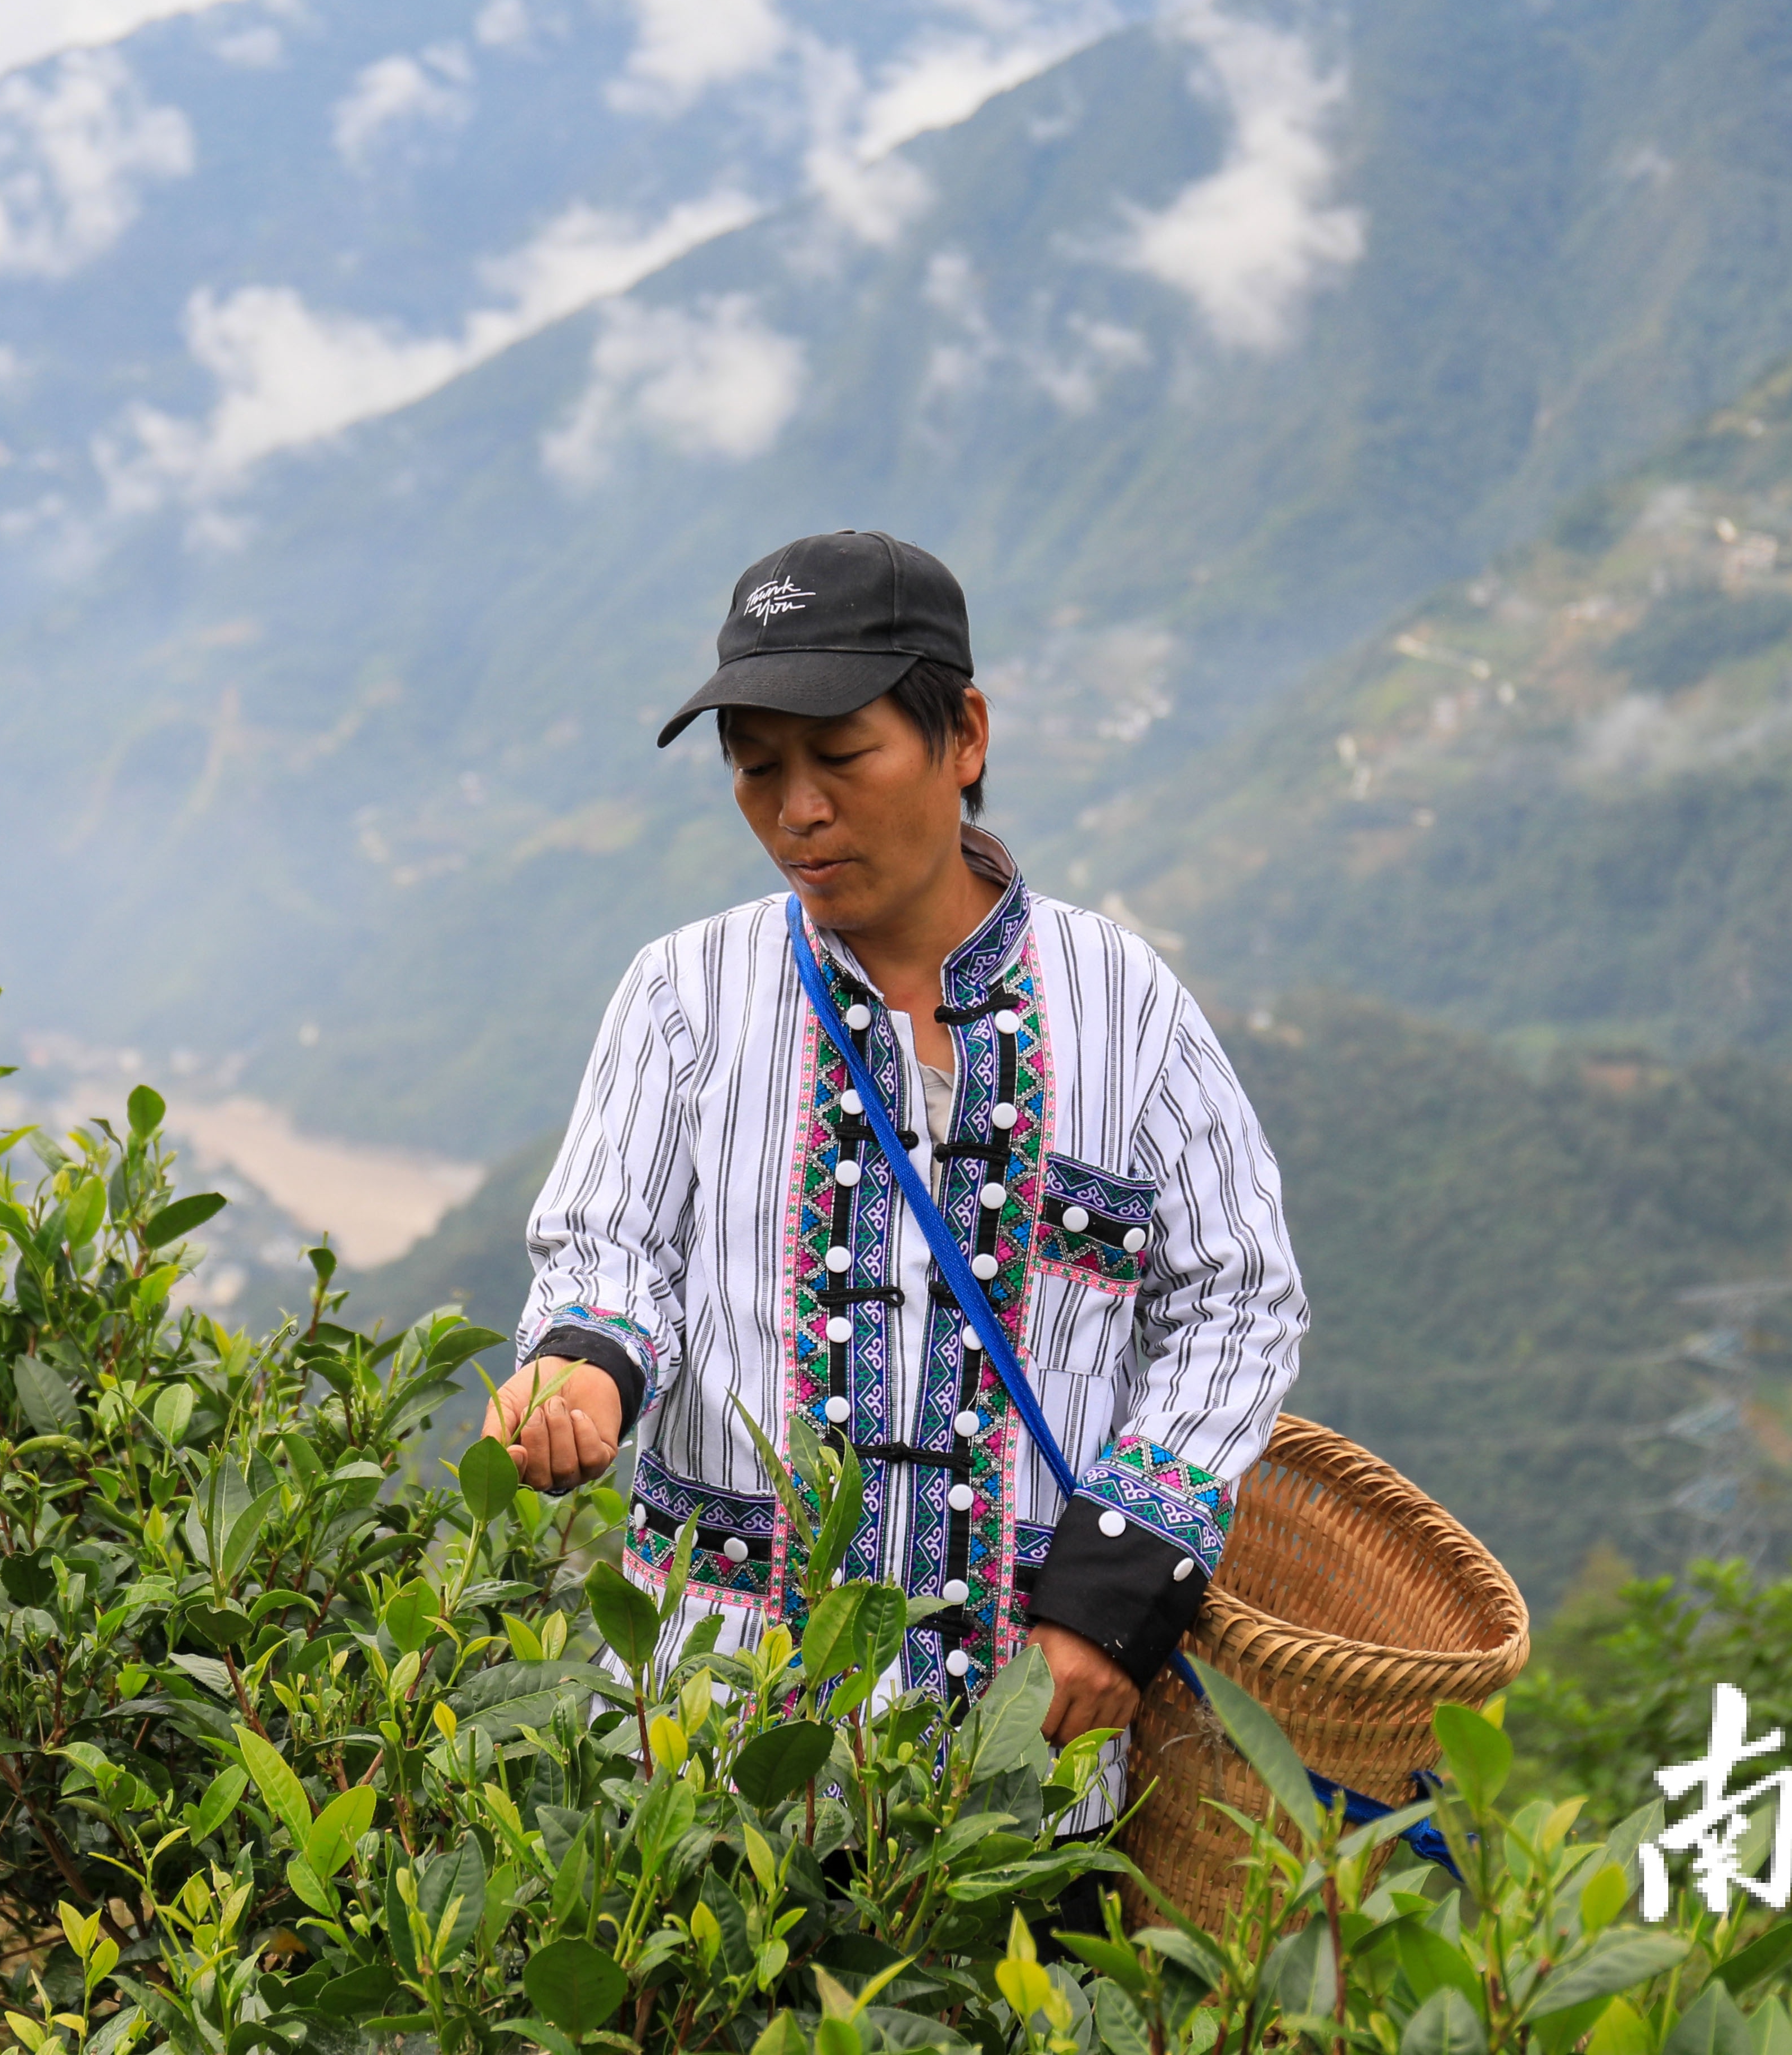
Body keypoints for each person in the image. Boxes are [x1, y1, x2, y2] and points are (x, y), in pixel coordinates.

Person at [480, 529, 1306, 1763]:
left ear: (963, 735)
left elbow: (1239, 1301)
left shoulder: (1124, 1005)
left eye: (842, 756)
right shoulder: (685, 994)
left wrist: (1116, 1592)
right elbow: (610, 1241)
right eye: (757, 769)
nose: (797, 810)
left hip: (1020, 1753)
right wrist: (586, 1362)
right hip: (705, 1748)